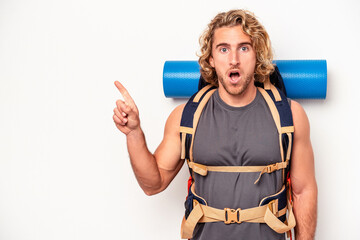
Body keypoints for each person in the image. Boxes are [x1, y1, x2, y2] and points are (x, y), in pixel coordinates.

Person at [113, 9, 317, 240]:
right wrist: (133, 133)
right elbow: (153, 184)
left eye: (244, 47)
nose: (234, 59)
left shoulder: (290, 115)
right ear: (211, 58)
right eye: (223, 49)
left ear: (256, 54)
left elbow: (304, 191)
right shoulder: (186, 117)